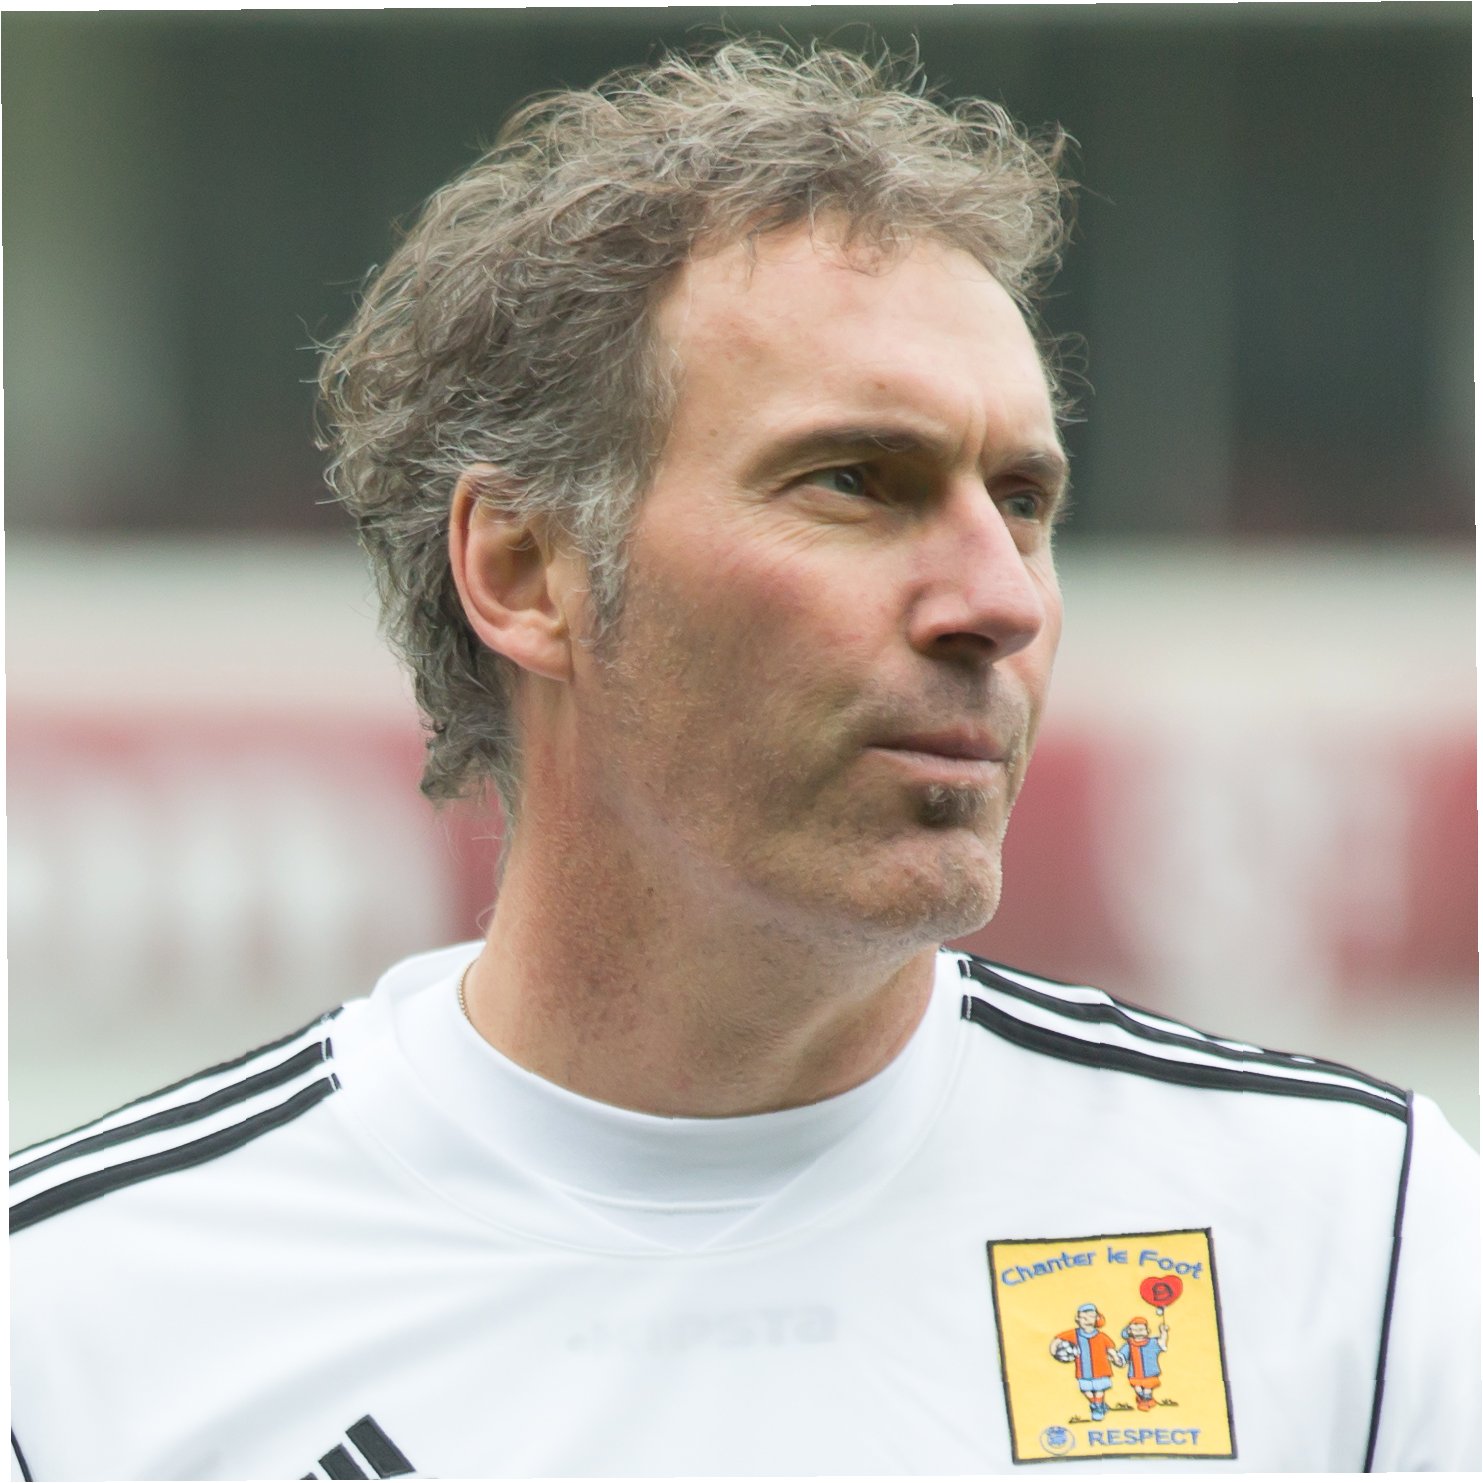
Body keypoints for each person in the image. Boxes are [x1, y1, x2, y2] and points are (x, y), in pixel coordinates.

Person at [9, 38, 1478, 1479]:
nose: (1001, 599)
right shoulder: (71, 1331)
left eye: (1024, 499)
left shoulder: (1356, 1247)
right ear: (522, 570)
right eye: (856, 481)